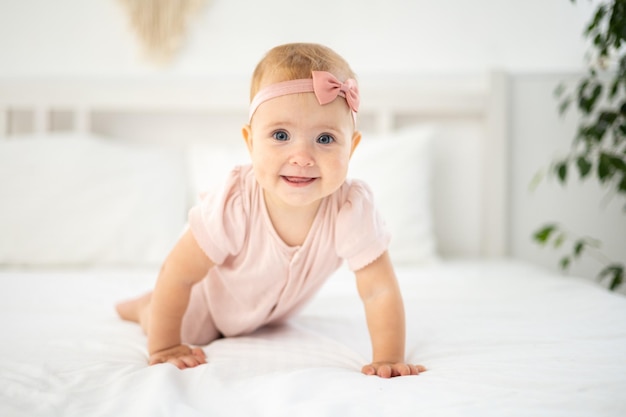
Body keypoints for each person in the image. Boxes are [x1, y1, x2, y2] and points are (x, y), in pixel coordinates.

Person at [116, 42, 426, 378]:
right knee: (188, 326)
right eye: (281, 135)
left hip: (269, 312)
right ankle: (145, 308)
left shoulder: (351, 209)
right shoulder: (236, 203)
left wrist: (389, 357)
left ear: (351, 148)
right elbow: (179, 273)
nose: (302, 156)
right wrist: (165, 346)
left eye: (324, 139)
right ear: (250, 143)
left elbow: (378, 289)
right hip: (206, 303)